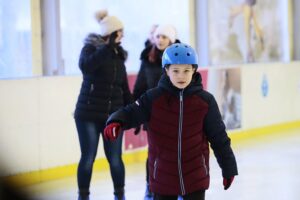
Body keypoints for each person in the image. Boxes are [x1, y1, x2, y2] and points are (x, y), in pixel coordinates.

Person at [103, 43, 238, 200]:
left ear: (194, 70)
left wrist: (228, 168)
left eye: (186, 70)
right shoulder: (153, 98)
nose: (181, 76)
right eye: (175, 71)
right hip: (162, 176)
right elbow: (132, 112)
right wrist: (117, 120)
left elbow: (219, 137)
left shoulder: (205, 101)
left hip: (195, 176)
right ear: (166, 70)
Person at [74, 10, 132, 200]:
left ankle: (120, 195)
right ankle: (83, 196)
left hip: (112, 116)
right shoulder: (90, 49)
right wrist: (107, 48)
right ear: (113, 33)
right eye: (120, 32)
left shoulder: (118, 55)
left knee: (115, 159)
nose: (123, 36)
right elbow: (86, 67)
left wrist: (132, 112)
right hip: (88, 115)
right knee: (88, 157)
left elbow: (123, 87)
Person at [132, 24, 178, 200]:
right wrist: (136, 114)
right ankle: (150, 187)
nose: (160, 40)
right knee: (154, 153)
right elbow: (138, 89)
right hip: (154, 116)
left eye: (164, 37)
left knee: (177, 153)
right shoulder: (148, 59)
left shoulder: (179, 58)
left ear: (171, 40)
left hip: (175, 114)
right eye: (158, 37)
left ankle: (178, 187)